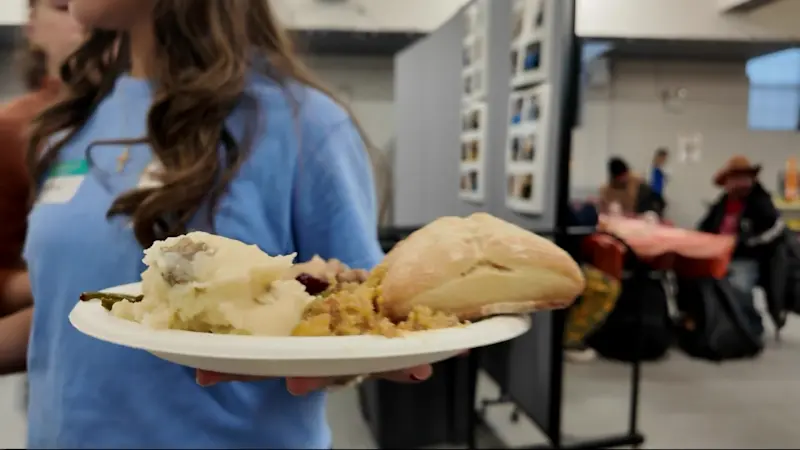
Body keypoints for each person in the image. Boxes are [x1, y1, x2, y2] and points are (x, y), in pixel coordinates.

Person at [23, 0, 430, 448]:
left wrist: (354, 356)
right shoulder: (74, 122)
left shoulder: (304, 125)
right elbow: (67, 313)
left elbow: (361, 316)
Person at [0, 0, 83, 375]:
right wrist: (62, 276)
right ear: (31, 25)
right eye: (63, 7)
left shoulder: (148, 117)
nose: (82, 18)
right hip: (54, 355)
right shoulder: (12, 130)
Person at [699, 156, 783, 295]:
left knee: (737, 292)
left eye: (742, 177)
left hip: (745, 259)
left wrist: (740, 242)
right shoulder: (722, 202)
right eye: (733, 178)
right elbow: (705, 226)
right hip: (718, 256)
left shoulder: (760, 202)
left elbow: (771, 230)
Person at [599, 157, 664, 217]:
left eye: (625, 175)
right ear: (615, 177)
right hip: (618, 217)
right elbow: (604, 209)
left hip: (636, 215)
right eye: (621, 177)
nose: (624, 179)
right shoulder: (607, 190)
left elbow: (653, 198)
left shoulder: (636, 180)